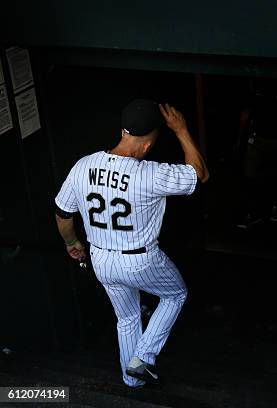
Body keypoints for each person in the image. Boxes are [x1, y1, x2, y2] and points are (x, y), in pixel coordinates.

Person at [54, 99, 208, 388]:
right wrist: (182, 130)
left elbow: (63, 214)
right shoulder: (150, 173)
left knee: (127, 318)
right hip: (139, 259)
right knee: (175, 295)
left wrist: (72, 242)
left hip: (101, 258)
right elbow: (199, 175)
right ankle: (143, 357)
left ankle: (132, 381)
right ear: (148, 145)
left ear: (123, 131)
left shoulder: (83, 165)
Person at [235, 79, 277, 229]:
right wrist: (240, 139)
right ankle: (253, 213)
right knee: (251, 178)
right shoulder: (256, 86)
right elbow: (245, 115)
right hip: (258, 140)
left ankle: (274, 210)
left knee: (275, 177)